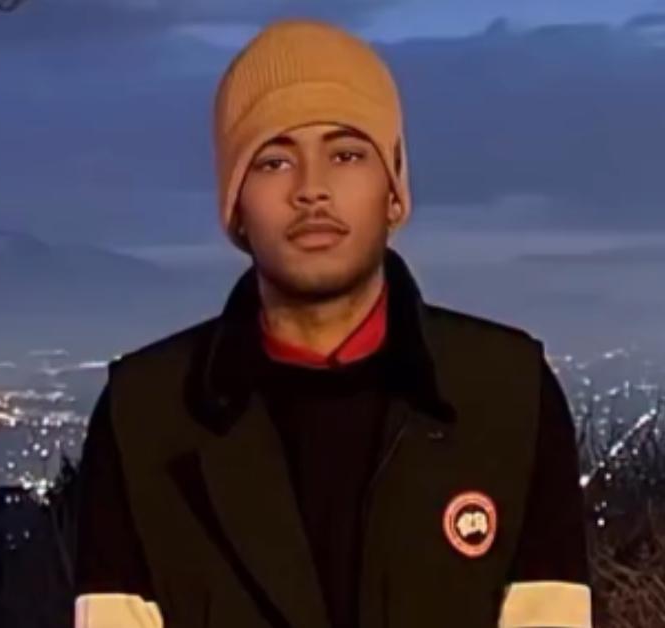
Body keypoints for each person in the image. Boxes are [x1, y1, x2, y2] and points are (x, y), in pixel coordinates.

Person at [65, 17, 591, 628]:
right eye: (272, 162)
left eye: (345, 154)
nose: (312, 190)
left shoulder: (507, 396)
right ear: (234, 207)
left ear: (394, 190)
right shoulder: (147, 416)